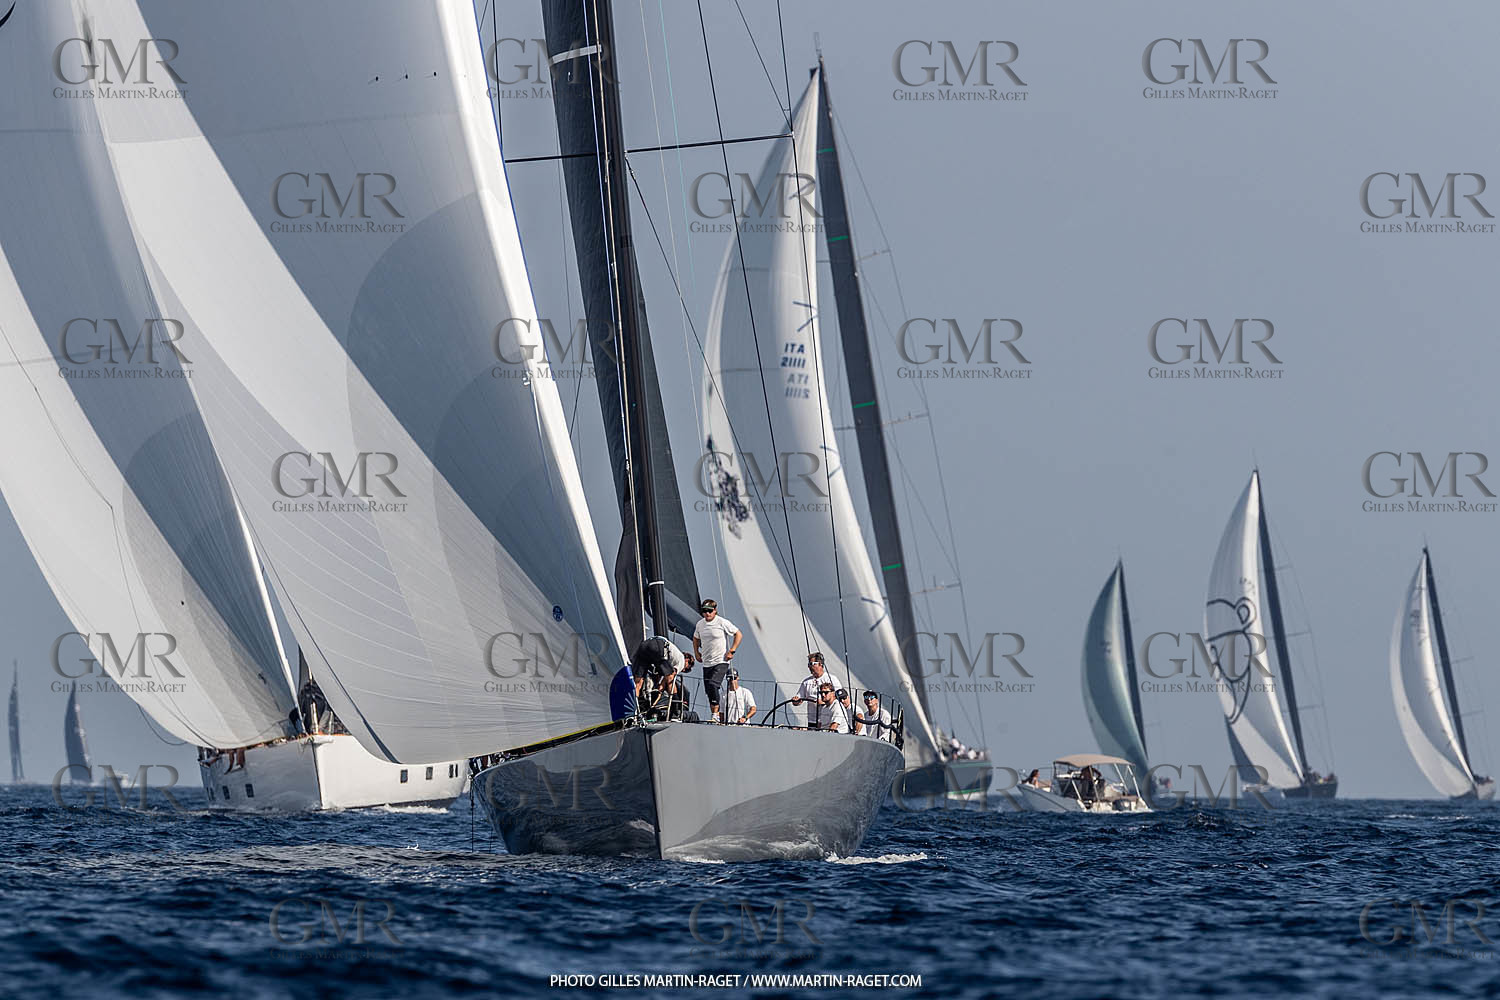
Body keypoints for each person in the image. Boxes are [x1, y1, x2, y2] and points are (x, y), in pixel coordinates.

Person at [692, 599, 741, 723]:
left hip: (721, 661)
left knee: (714, 685)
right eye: (704, 611)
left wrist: (732, 651)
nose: (707, 614)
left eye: (710, 611)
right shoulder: (700, 624)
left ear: (715, 611)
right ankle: (714, 716)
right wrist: (696, 652)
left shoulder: (722, 622)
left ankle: (716, 715)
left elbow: (738, 634)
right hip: (707, 662)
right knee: (709, 690)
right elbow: (696, 638)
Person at [632, 636, 686, 721]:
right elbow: (670, 677)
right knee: (671, 681)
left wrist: (658, 688)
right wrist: (661, 687)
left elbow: (660, 677)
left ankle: (634, 713)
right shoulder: (682, 661)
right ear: (687, 662)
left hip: (644, 645)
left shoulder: (669, 659)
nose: (683, 670)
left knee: (637, 683)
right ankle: (676, 712)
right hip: (658, 645)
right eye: (686, 670)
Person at [790, 652, 843, 729]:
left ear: (820, 664)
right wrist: (795, 700)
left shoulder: (831, 679)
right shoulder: (806, 682)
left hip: (827, 720)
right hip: (812, 720)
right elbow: (799, 699)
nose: (809, 667)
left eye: (812, 664)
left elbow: (840, 696)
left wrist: (823, 701)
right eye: (809, 664)